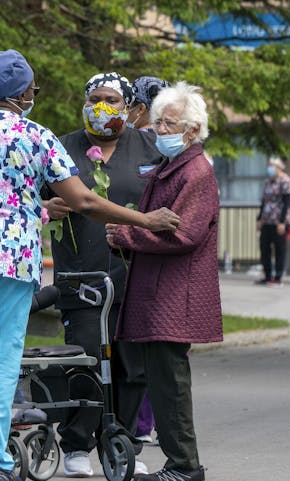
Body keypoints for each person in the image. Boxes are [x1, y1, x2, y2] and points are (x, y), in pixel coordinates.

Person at [0, 50, 179, 481]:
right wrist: (145, 220)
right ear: (25, 93)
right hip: (12, 262)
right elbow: (84, 201)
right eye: (33, 90)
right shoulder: (36, 138)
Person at [44, 72, 162, 478]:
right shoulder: (61, 146)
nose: (102, 106)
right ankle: (76, 443)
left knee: (134, 365)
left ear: (129, 107)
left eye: (112, 99)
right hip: (82, 273)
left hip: (137, 276)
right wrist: (47, 206)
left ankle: (123, 442)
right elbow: (30, 195)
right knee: (85, 359)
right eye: (95, 98)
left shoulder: (149, 146)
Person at [105, 81, 220, 481]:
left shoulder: (196, 171)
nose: (159, 131)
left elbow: (185, 234)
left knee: (169, 382)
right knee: (161, 379)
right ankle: (180, 462)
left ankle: (185, 465)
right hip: (161, 291)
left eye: (169, 124)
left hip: (175, 293)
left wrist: (127, 235)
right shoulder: (175, 166)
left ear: (192, 130)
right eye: (157, 123)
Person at [130, 75, 171, 445]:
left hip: (143, 247)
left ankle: (142, 423)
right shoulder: (165, 148)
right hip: (148, 251)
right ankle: (149, 422)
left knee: (143, 341)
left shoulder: (146, 145)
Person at [256, 156, 290, 286]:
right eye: (269, 165)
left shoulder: (286, 181)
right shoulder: (268, 182)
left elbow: (286, 203)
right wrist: (259, 219)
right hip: (267, 220)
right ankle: (267, 275)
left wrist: (282, 222)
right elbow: (263, 201)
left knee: (279, 249)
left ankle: (278, 277)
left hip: (279, 221)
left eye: (272, 166)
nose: (269, 168)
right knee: (264, 247)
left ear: (279, 167)